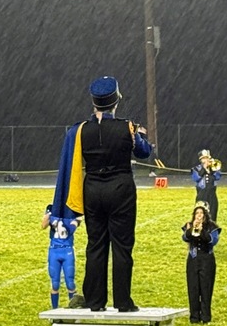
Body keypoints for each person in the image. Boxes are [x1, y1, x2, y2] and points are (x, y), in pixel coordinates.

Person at [52, 76, 152, 313]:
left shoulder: (80, 130)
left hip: (93, 189)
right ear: (115, 101)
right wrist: (140, 135)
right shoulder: (127, 126)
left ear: (94, 102)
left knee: (95, 245)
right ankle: (123, 301)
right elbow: (144, 152)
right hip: (121, 188)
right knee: (122, 246)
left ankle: (96, 300)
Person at [182, 201, 220, 324]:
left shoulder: (212, 226)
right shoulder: (189, 225)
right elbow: (185, 238)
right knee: (193, 288)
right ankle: (194, 317)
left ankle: (205, 317)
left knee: (206, 288)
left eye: (201, 213)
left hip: (206, 260)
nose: (199, 215)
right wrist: (192, 228)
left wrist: (202, 230)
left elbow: (212, 241)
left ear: (205, 214)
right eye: (196, 213)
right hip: (193, 260)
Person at [41, 204, 84, 309]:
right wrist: (50, 214)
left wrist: (74, 220)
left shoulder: (71, 208)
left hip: (67, 250)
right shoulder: (52, 208)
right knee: (55, 283)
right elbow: (43, 225)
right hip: (54, 250)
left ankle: (73, 309)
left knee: (70, 282)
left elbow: (77, 221)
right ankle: (54, 311)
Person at [191, 150, 221, 223]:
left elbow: (218, 177)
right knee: (200, 215)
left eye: (207, 158)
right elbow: (196, 178)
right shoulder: (196, 169)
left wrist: (211, 169)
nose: (206, 160)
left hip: (212, 194)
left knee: (213, 215)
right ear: (200, 160)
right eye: (204, 158)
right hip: (202, 194)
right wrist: (204, 168)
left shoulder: (213, 168)